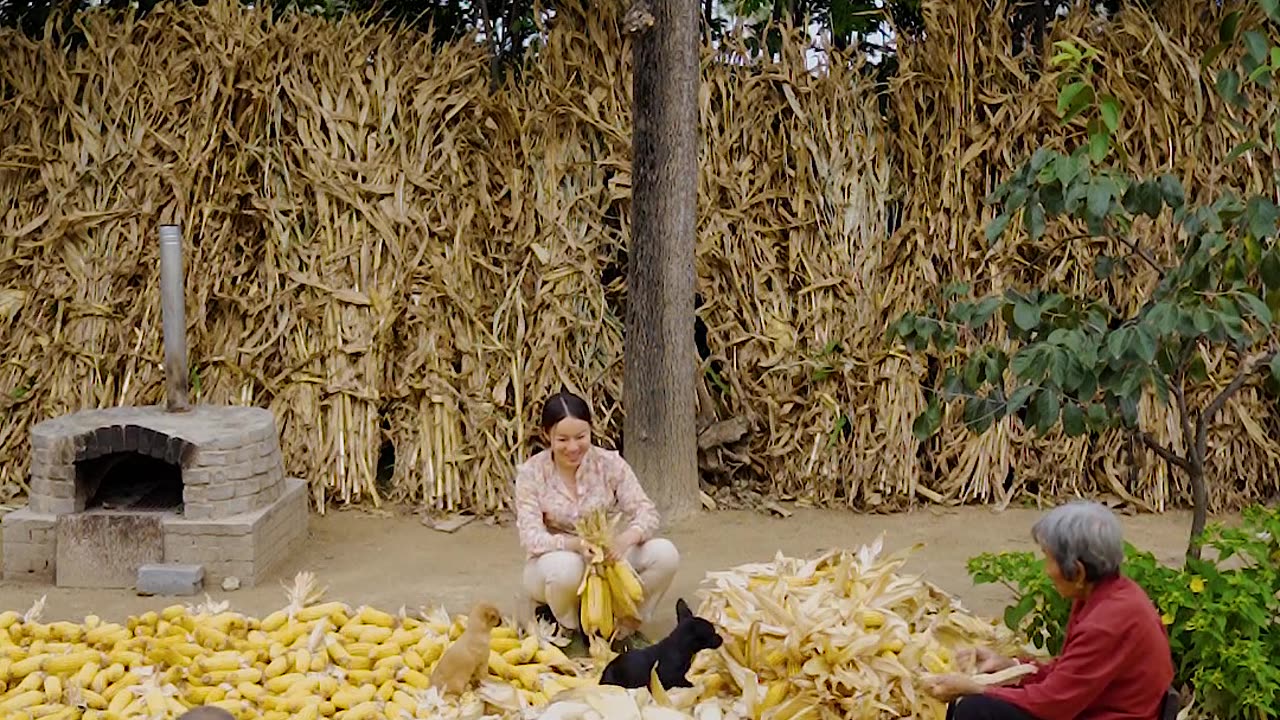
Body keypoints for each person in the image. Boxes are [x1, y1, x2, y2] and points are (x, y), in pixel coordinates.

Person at [923, 500, 1174, 720]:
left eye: (1049, 559)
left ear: (1077, 571)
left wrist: (976, 687)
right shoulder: (1103, 594)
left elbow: (1054, 704)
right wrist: (1009, 667)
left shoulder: (1107, 622)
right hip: (1093, 708)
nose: (1046, 570)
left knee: (976, 710)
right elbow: (1068, 674)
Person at [514, 388, 680, 655]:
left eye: (581, 437)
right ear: (547, 436)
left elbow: (646, 511)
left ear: (591, 431)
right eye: (562, 439)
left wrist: (625, 539)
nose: (573, 448)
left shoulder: (610, 464)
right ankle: (567, 629)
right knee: (565, 569)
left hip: (608, 558)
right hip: (554, 563)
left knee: (665, 554)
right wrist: (576, 544)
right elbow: (531, 537)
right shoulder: (531, 474)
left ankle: (624, 626)